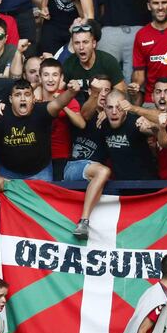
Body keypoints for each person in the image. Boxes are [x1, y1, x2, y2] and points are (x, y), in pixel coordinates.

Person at [0, 78, 80, 181]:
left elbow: (58, 103)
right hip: (8, 172)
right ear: (10, 99)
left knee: (42, 198)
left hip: (40, 171)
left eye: (27, 94)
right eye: (17, 95)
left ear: (33, 98)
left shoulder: (41, 111)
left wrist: (71, 92)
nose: (23, 99)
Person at [64, 76, 114, 241]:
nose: (103, 94)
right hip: (73, 167)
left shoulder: (112, 116)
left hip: (93, 172)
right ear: (91, 92)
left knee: (102, 172)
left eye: (106, 90)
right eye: (99, 90)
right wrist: (95, 94)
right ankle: (83, 222)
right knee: (103, 171)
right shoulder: (84, 109)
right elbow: (85, 114)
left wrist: (109, 114)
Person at [37, 58, 83, 180]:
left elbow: (81, 124)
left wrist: (62, 104)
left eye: (55, 75)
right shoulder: (33, 98)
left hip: (61, 157)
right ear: (40, 78)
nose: (50, 79)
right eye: (46, 75)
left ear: (61, 78)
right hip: (37, 157)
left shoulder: (68, 98)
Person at [63, 20, 126, 91]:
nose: (81, 47)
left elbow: (120, 93)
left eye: (85, 42)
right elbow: (57, 93)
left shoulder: (109, 62)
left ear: (94, 43)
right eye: (77, 43)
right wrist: (70, 92)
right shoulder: (69, 63)